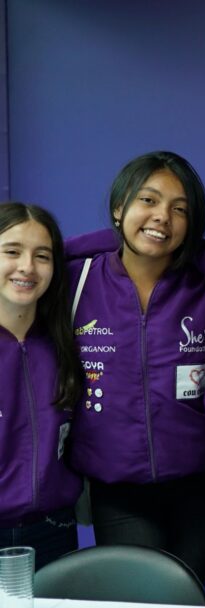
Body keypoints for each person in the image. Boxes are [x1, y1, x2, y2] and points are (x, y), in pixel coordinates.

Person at [68, 151, 205, 582]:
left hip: (199, 485)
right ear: (119, 207)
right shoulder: (76, 280)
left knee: (188, 597)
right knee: (145, 595)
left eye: (180, 209)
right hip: (117, 486)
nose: (162, 217)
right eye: (147, 200)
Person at [0, 203, 83, 569]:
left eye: (43, 256)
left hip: (53, 528)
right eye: (12, 251)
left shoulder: (64, 342)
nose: (27, 267)